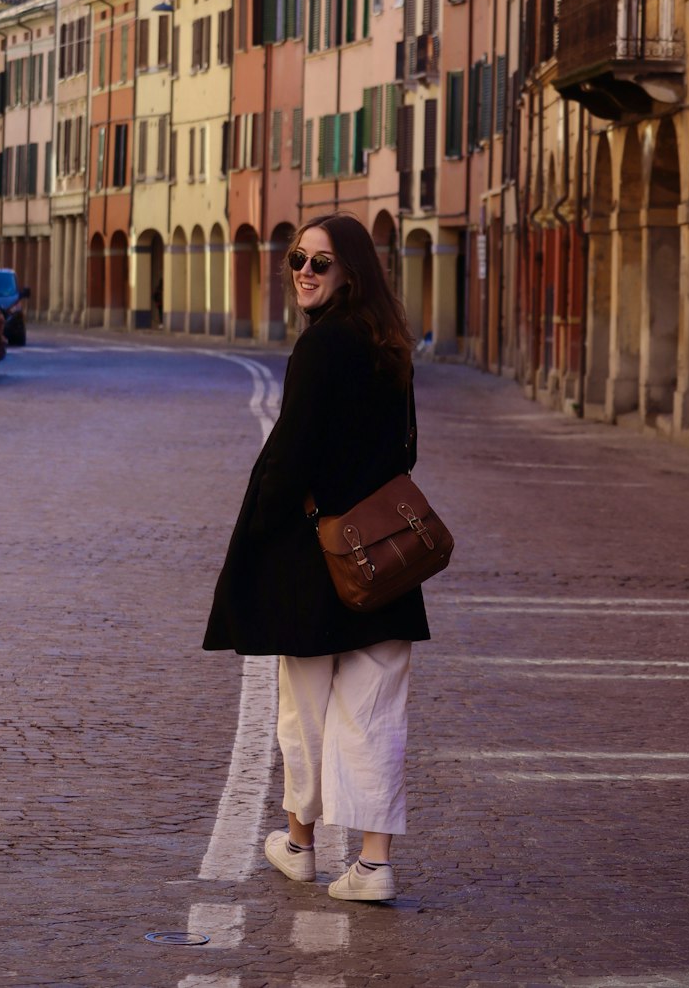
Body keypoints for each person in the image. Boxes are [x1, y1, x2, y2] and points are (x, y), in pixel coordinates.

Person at [204, 212, 428, 904]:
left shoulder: (321, 347)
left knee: (304, 709)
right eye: (297, 258)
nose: (303, 270)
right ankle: (371, 863)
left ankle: (300, 844)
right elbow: (406, 453)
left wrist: (264, 525)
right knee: (376, 713)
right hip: (385, 558)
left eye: (319, 263)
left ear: (349, 274)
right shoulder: (390, 345)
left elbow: (291, 454)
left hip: (317, 558)